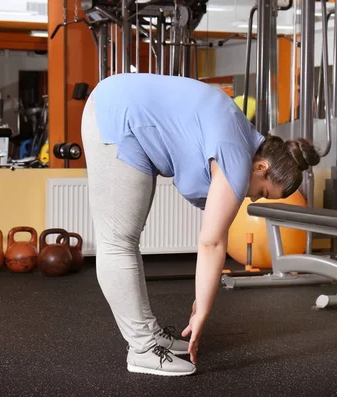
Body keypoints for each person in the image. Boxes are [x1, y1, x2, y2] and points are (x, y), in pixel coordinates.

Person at [81, 73, 321, 377]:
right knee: (118, 241)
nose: (254, 198)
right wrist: (202, 309)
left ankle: (150, 336)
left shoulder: (243, 137)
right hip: (116, 114)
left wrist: (201, 298)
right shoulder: (235, 154)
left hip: (121, 104)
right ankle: (141, 349)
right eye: (261, 191)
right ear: (262, 167)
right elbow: (212, 242)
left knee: (126, 241)